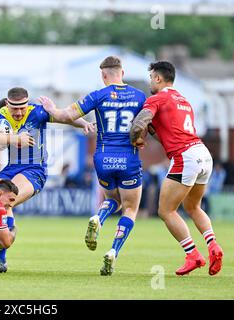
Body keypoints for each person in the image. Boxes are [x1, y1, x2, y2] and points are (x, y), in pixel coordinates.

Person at [39, 56, 146, 276]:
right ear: (122, 73)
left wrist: (51, 108)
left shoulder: (98, 95)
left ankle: (98, 217)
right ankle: (113, 251)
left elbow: (66, 115)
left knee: (112, 199)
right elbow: (148, 124)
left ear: (103, 75)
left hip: (103, 157)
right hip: (128, 157)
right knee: (130, 208)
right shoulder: (140, 96)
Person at [0, 87, 94, 273]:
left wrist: (82, 124)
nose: (18, 112)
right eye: (14, 108)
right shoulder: (1, 117)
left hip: (35, 170)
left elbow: (64, 117)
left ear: (27, 104)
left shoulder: (37, 112)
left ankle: (3, 248)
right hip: (10, 169)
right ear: (7, 104)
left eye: (22, 108)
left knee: (3, 200)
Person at [130, 61, 223, 276]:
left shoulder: (157, 98)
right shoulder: (183, 100)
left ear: (158, 78)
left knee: (166, 210)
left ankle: (193, 255)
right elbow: (166, 132)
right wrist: (151, 131)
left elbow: (139, 124)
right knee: (193, 207)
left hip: (185, 157)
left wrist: (136, 139)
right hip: (203, 153)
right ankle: (213, 246)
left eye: (151, 77)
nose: (150, 81)